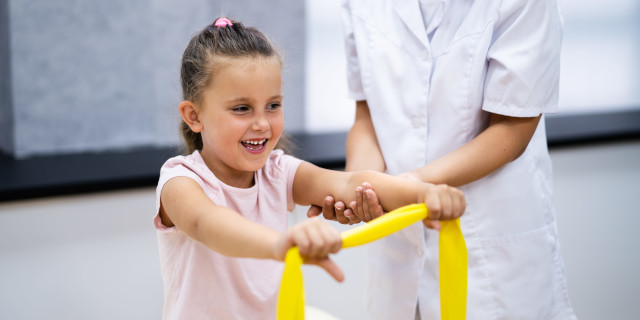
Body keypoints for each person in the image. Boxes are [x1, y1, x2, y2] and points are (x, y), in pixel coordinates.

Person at [154, 17, 467, 320]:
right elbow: (207, 224)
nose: (262, 123)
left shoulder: (276, 171)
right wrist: (278, 243)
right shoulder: (180, 181)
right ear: (194, 116)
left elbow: (350, 183)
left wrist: (425, 194)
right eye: (241, 108)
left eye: (273, 105)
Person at [308, 0, 577, 319]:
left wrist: (407, 187)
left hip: (489, 250)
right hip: (397, 252)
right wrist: (359, 186)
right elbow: (366, 116)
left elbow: (511, 130)